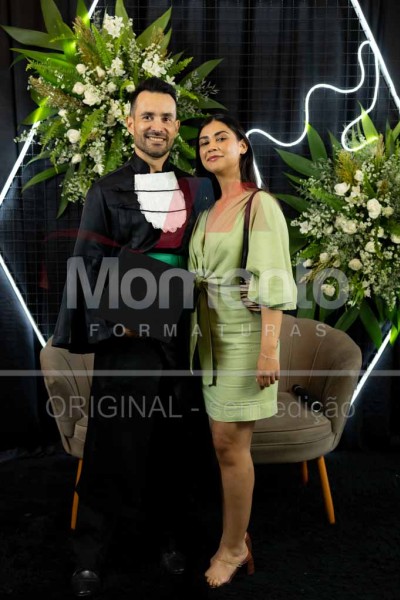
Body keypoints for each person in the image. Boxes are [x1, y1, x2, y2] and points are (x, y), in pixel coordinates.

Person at [52, 77, 214, 597]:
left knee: (174, 445)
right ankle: (90, 554)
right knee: (112, 446)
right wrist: (110, 323)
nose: (156, 126)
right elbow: (86, 264)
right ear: (130, 124)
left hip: (180, 335)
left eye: (165, 117)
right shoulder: (105, 190)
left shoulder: (198, 190)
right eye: (148, 117)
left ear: (177, 126)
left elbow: (206, 260)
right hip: (125, 338)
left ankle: (169, 539)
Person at [188, 114, 297, 588]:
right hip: (208, 336)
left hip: (245, 338)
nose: (211, 146)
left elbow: (273, 279)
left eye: (221, 138)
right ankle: (234, 535)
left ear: (243, 146)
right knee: (219, 441)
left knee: (231, 444)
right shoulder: (207, 211)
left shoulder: (260, 205)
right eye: (203, 142)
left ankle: (234, 547)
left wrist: (269, 350)